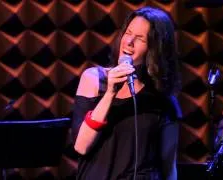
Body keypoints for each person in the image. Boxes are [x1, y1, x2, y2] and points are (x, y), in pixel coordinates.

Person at [71, 6, 182, 180]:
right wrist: (110, 93)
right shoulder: (94, 79)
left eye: (139, 38)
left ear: (155, 48)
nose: (129, 42)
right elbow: (81, 146)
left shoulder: (163, 99)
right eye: (128, 33)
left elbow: (168, 166)